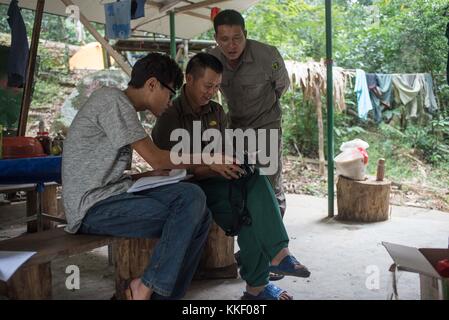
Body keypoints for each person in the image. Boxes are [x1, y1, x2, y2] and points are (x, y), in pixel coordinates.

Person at [62, 52, 241, 300]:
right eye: (170, 93)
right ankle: (147, 286)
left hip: (112, 195)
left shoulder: (121, 106)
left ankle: (155, 291)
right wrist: (208, 158)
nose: (170, 102)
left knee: (195, 204)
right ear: (152, 84)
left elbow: (112, 170)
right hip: (91, 207)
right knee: (191, 212)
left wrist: (143, 177)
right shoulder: (112, 101)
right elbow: (156, 156)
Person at [152, 53, 310, 300]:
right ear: (189, 79)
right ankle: (261, 281)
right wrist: (210, 166)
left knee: (255, 178)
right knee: (249, 211)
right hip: (189, 188)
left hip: (218, 179)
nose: (212, 92)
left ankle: (276, 260)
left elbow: (225, 148)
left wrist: (236, 159)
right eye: (208, 86)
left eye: (217, 87)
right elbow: (169, 168)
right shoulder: (170, 116)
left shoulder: (216, 111)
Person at [209, 9, 290, 218]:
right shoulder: (212, 59)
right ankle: (250, 240)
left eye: (237, 38)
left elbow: (281, 86)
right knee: (240, 182)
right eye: (224, 39)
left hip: (266, 124)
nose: (231, 45)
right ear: (216, 38)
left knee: (268, 182)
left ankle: (274, 245)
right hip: (236, 127)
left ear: (245, 33)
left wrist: (264, 108)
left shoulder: (268, 55)